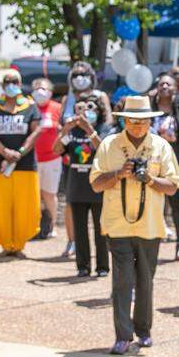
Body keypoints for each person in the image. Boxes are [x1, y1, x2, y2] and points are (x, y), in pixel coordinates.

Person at [89, 96, 179, 355]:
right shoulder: (110, 145)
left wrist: (150, 178)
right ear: (124, 120)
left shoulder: (161, 146)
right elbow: (96, 184)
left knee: (145, 281)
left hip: (150, 226)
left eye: (142, 121)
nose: (137, 126)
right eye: (132, 120)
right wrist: (119, 173)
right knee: (122, 281)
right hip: (117, 224)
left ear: (151, 121)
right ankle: (123, 335)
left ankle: (144, 330)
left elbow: (173, 186)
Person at [0, 70, 41, 255]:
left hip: (24, 166)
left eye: (15, 81)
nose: (11, 84)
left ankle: (19, 244)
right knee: (0, 207)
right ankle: (5, 245)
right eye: (7, 81)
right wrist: (6, 152)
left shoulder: (31, 107)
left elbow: (35, 132)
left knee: (25, 207)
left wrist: (20, 152)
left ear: (20, 83)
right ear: (2, 85)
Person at [55, 91, 112, 277]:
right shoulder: (71, 132)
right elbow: (56, 150)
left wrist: (89, 129)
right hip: (76, 186)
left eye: (90, 107)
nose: (85, 112)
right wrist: (65, 129)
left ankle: (102, 266)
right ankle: (83, 266)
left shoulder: (104, 128)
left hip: (98, 186)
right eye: (80, 108)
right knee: (80, 230)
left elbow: (103, 150)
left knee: (100, 229)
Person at [151, 73, 179, 261]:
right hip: (153, 164)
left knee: (178, 203)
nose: (164, 87)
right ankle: (152, 242)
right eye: (161, 84)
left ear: (175, 88)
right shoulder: (150, 108)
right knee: (153, 204)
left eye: (168, 84)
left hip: (177, 164)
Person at [30, 77, 63, 239]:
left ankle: (53, 225)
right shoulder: (29, 108)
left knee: (49, 193)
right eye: (36, 88)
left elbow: (63, 130)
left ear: (50, 92)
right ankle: (35, 226)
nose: (40, 92)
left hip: (52, 158)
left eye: (43, 88)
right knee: (34, 194)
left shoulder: (57, 108)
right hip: (33, 159)